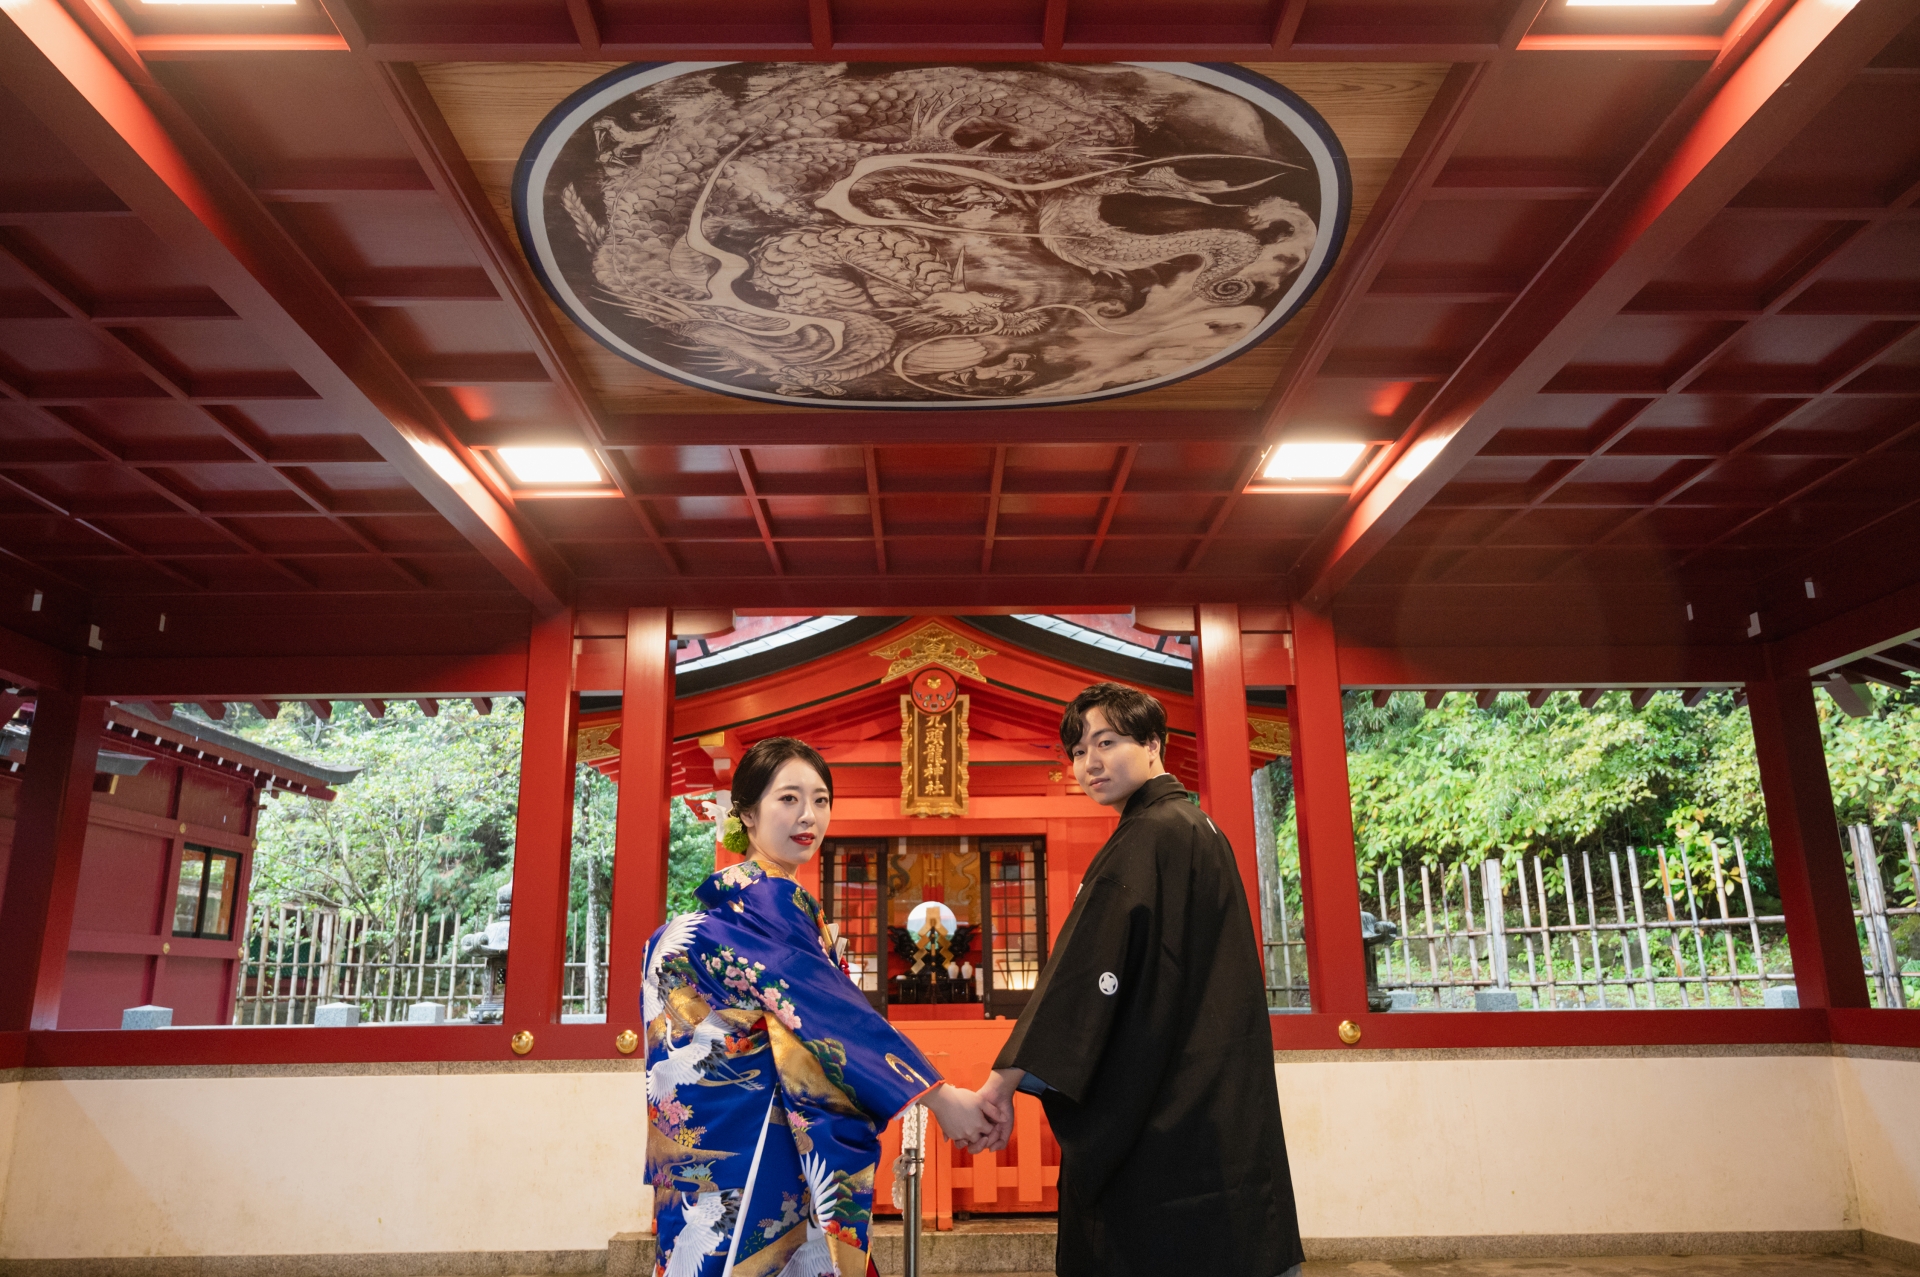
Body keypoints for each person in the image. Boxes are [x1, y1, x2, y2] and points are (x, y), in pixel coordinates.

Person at [976, 682, 1305, 1277]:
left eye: (1107, 742)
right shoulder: (1197, 827)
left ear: (1154, 743)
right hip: (1213, 1097)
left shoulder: (1148, 836)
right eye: (1078, 751)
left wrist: (1002, 1083)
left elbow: (1082, 977)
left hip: (1164, 1109)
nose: (1090, 763)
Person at [643, 736, 993, 1277]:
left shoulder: (733, 904)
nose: (809, 815)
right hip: (758, 1145)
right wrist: (941, 1099)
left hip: (713, 1145)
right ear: (747, 814)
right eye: (788, 799)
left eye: (821, 799)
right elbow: (830, 1015)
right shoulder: (768, 900)